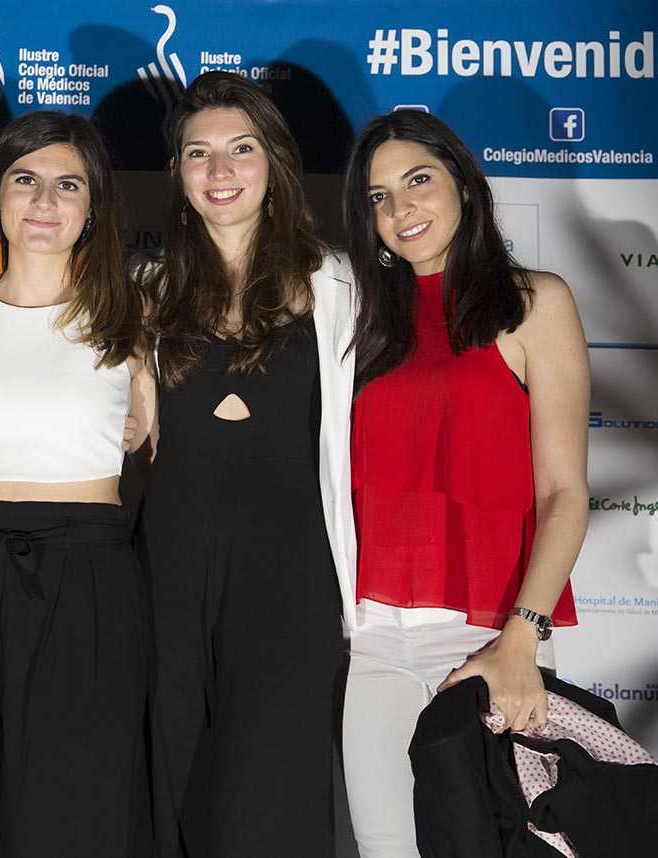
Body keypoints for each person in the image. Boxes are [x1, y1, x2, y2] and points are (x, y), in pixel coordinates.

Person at [341, 109, 589, 857]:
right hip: (371, 645)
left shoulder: (533, 302)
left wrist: (521, 640)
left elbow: (564, 494)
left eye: (417, 179)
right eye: (378, 197)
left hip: (491, 638)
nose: (400, 208)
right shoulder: (353, 318)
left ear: (463, 183)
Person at [0, 111, 155, 858]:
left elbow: (158, 446)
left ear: (93, 207)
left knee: (77, 804)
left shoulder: (132, 313)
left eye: (67, 185)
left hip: (89, 577)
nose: (45, 202)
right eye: (26, 180)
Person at [139, 70, 358, 858]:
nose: (220, 171)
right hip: (166, 576)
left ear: (275, 164)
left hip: (289, 580)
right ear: (177, 172)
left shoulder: (341, 287)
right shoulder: (146, 295)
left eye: (240, 150)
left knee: (272, 796)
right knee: (172, 786)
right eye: (198, 153)